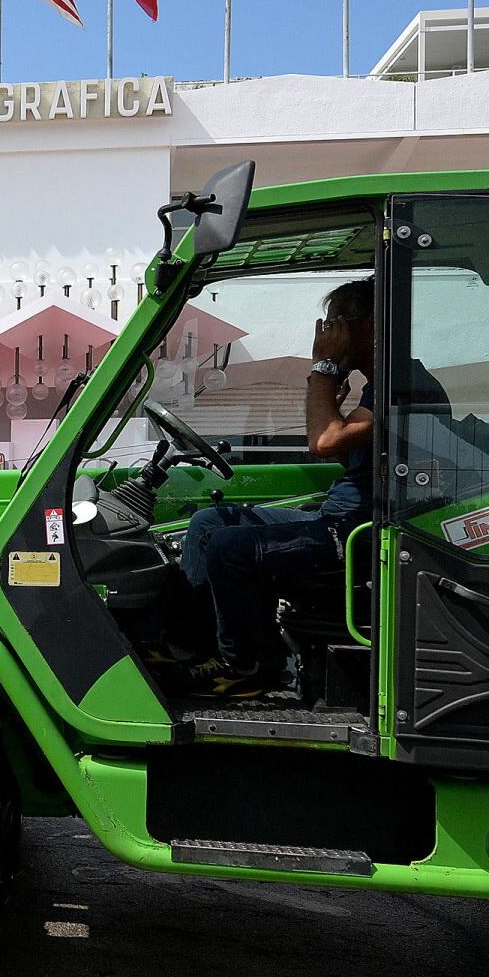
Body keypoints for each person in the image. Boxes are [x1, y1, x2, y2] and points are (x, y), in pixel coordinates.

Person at [176, 280, 379, 698]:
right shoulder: (377, 390)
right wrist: (331, 402)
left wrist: (322, 369)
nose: (325, 335)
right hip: (338, 517)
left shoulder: (398, 388)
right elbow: (349, 456)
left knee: (229, 548)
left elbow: (322, 443)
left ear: (369, 326)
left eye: (336, 324)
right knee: (208, 523)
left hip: (353, 531)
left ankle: (248, 665)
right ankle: (200, 651)